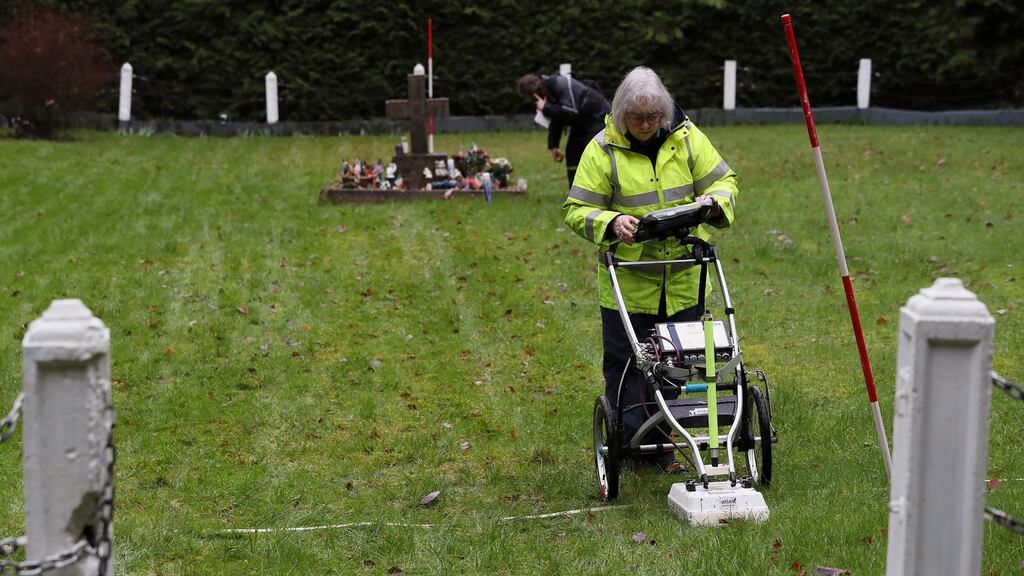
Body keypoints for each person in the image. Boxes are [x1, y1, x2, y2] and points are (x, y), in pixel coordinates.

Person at [561, 66, 739, 472]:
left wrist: (712, 203)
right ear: (621, 114)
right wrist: (611, 223)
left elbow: (725, 181)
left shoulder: (687, 138)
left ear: (664, 113)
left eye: (652, 118)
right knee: (628, 367)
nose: (645, 125)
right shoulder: (601, 150)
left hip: (683, 277)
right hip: (629, 280)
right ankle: (628, 447)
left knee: (676, 364)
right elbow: (576, 209)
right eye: (636, 119)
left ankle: (660, 447)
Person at [516, 72, 610, 186]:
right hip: (581, 122)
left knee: (592, 155)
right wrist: (554, 146)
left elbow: (570, 111)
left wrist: (546, 108)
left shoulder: (561, 84)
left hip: (597, 117)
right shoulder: (547, 92)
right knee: (572, 154)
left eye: (531, 98)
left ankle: (600, 191)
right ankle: (575, 194)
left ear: (534, 93)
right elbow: (557, 119)